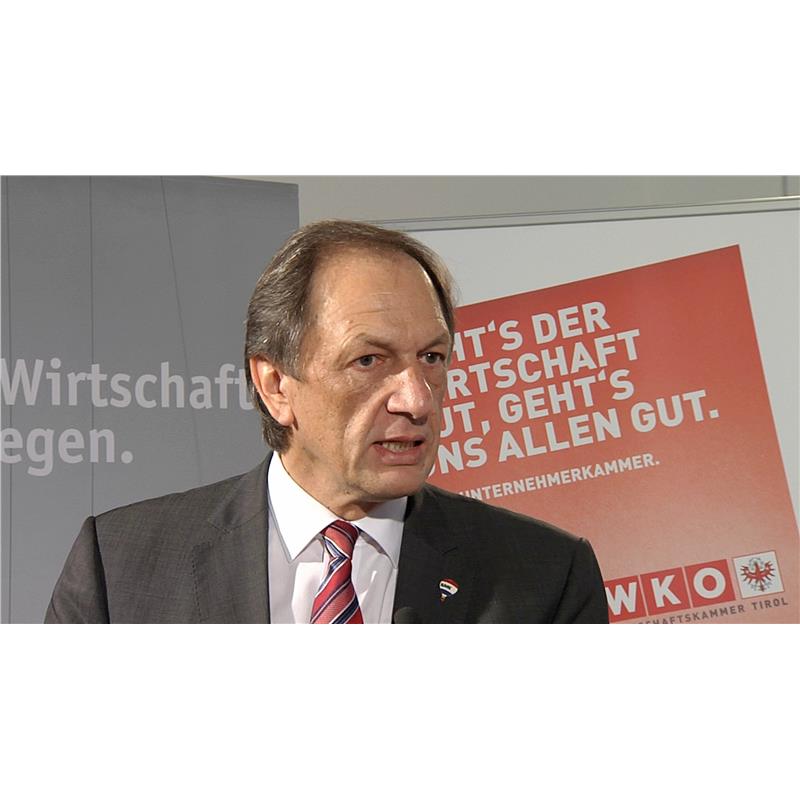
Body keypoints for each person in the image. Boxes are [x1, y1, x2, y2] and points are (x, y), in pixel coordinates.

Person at [45, 220, 608, 623]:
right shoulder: (120, 566)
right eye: (369, 361)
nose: (417, 400)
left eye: (432, 358)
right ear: (275, 385)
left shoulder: (545, 577)